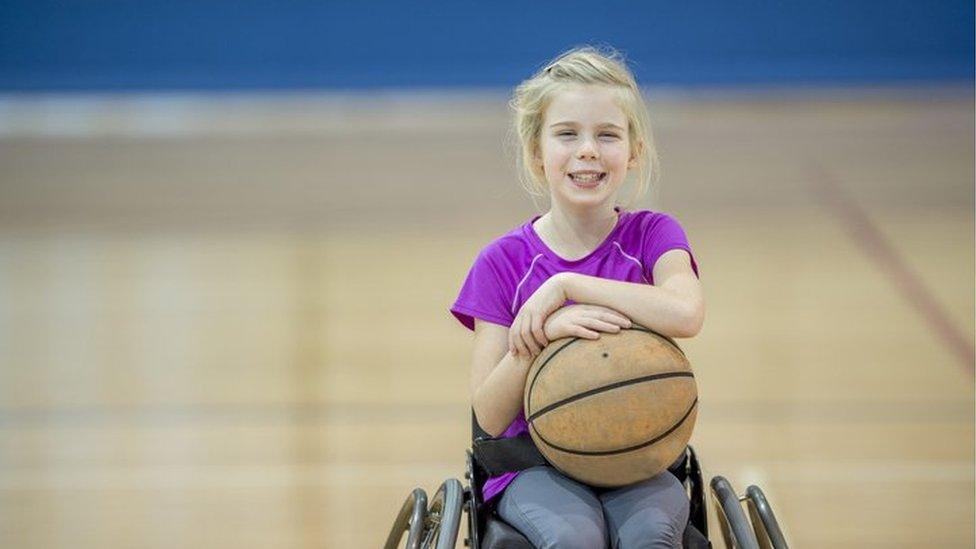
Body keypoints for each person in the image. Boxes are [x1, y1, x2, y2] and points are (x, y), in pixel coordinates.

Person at [450, 46, 704, 549]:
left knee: (651, 536)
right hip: (533, 465)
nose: (587, 149)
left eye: (607, 135)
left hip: (640, 453)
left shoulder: (653, 236)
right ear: (536, 153)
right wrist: (543, 337)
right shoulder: (502, 262)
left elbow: (686, 312)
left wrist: (568, 287)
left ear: (633, 152)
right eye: (567, 133)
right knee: (575, 539)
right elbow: (490, 416)